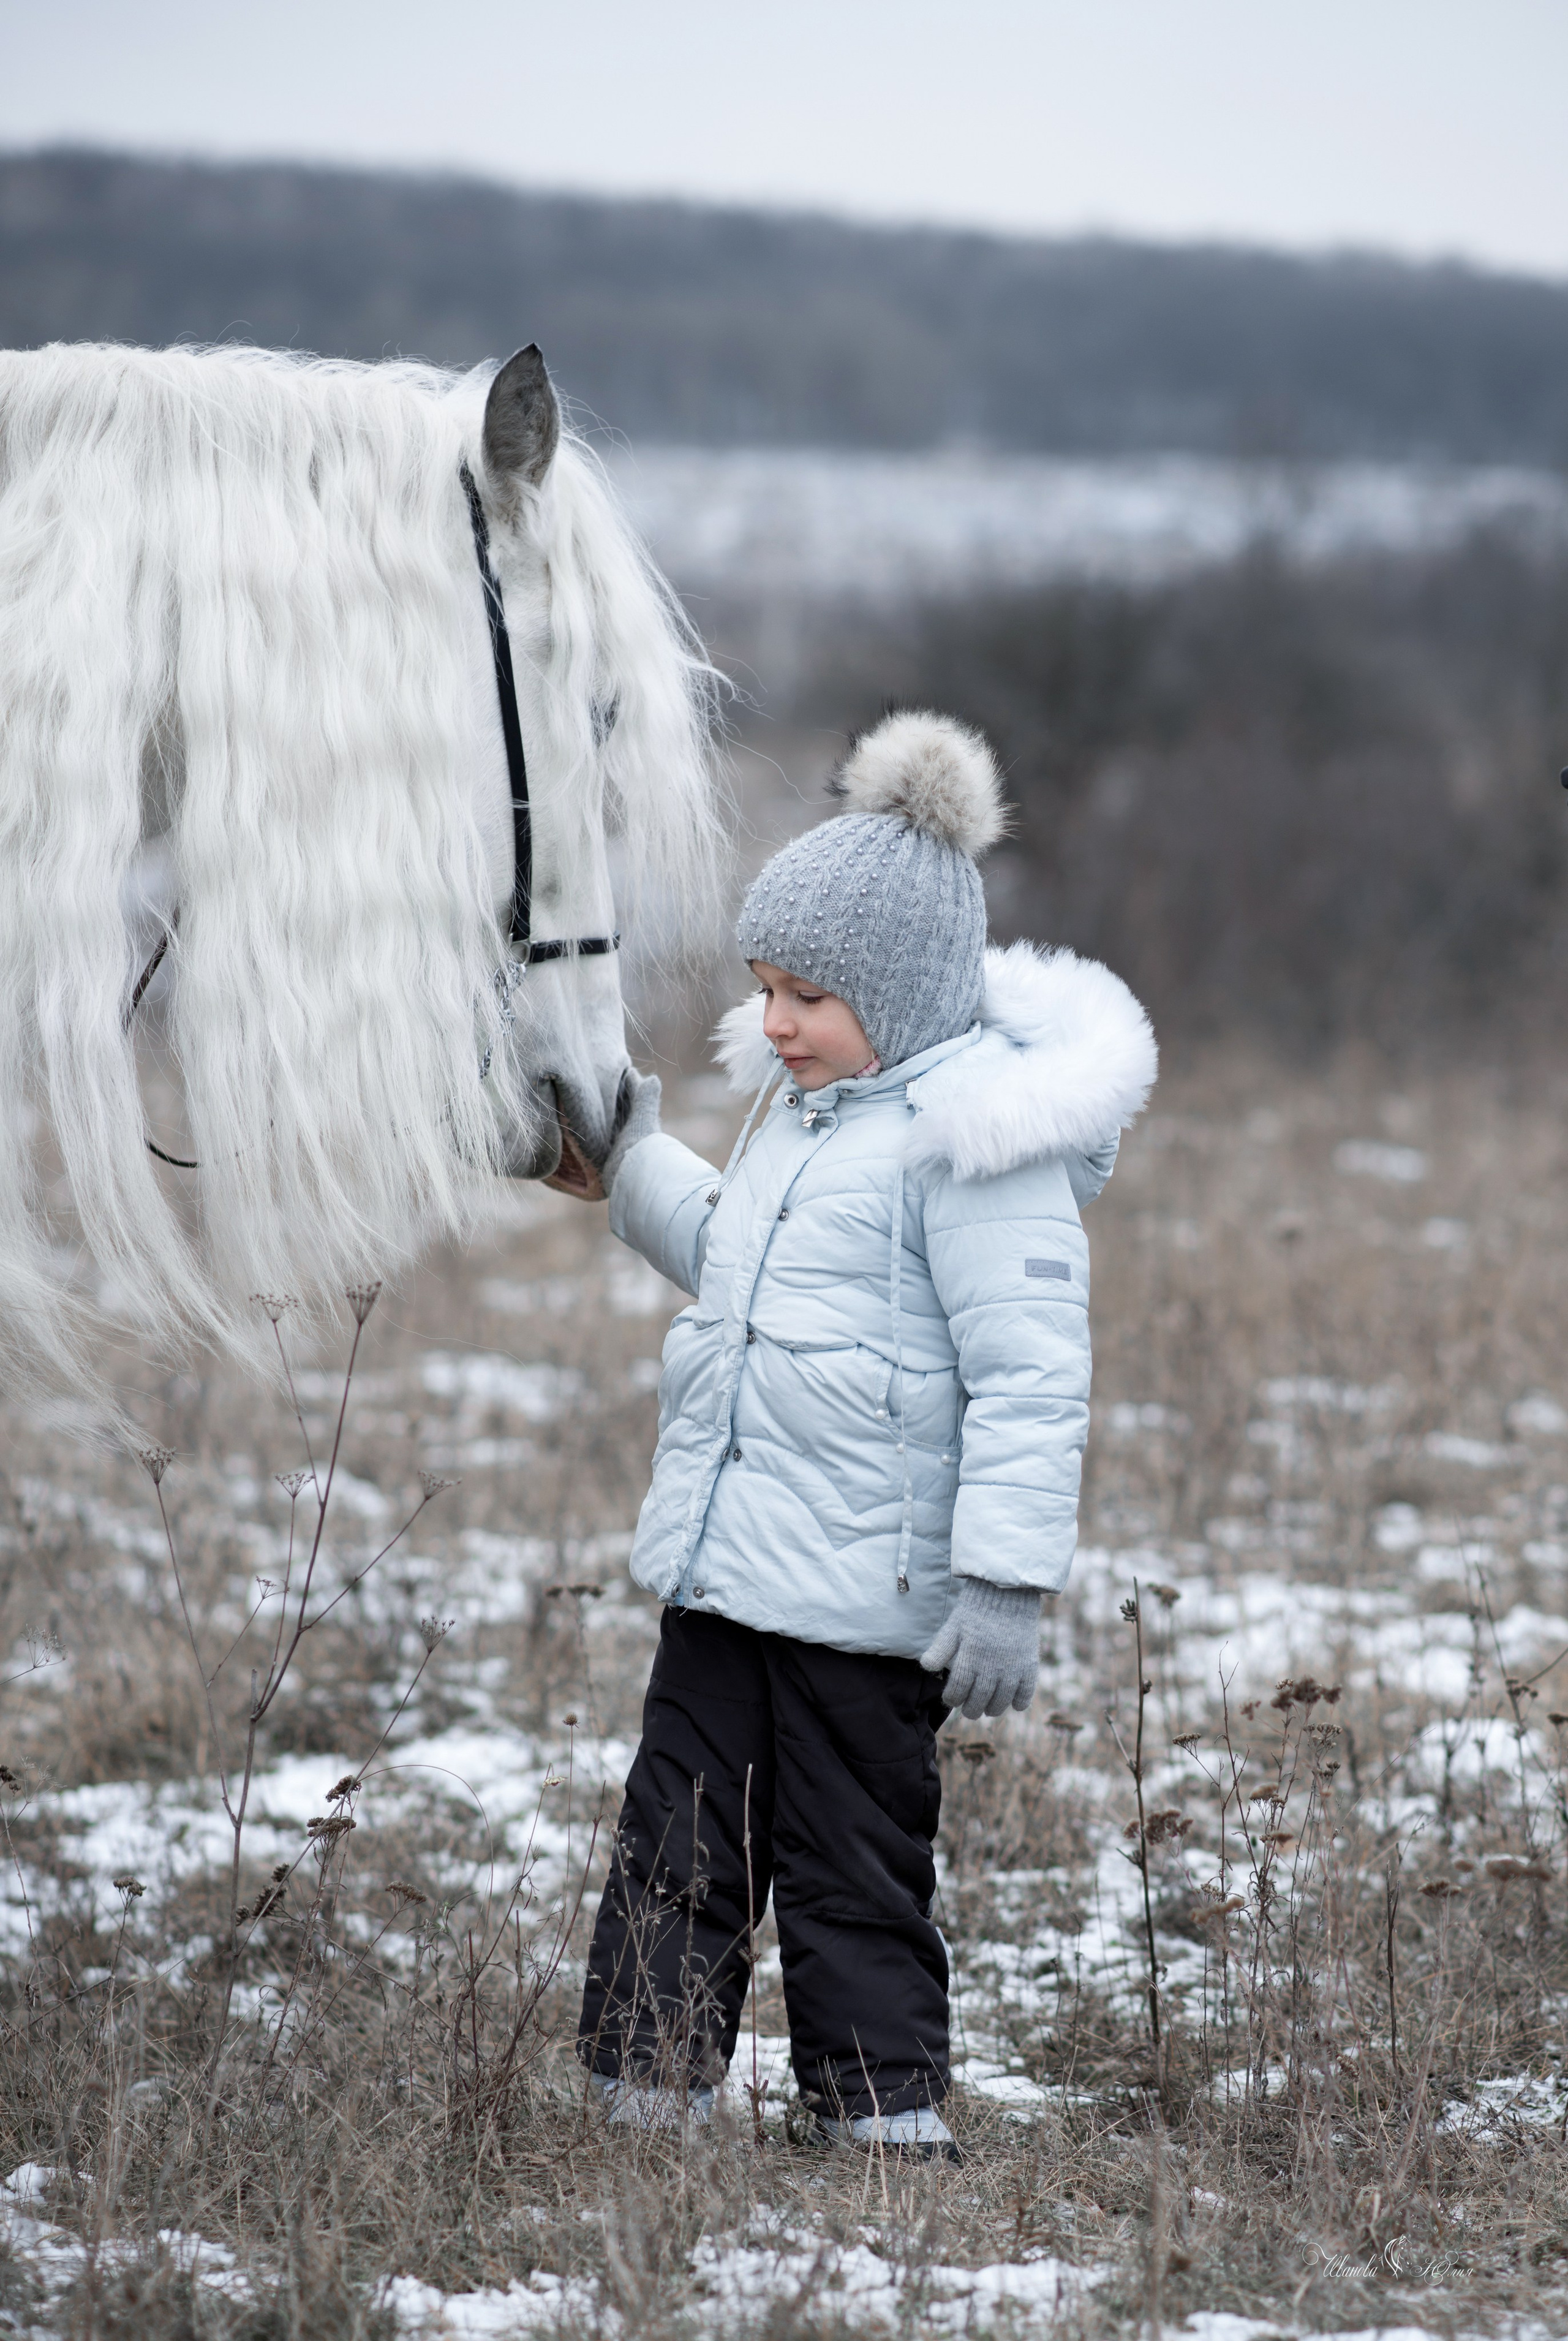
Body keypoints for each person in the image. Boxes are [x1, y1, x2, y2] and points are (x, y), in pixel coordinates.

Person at [575, 709, 1156, 2154]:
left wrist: (1005, 1584)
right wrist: (625, 1155)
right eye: (766, 989)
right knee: (676, 1845)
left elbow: (1032, 1379)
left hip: (863, 1610)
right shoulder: (804, 1115)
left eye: (807, 999)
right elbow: (732, 1255)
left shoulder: (975, 1148)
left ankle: (878, 2117)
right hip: (725, 1578)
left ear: (894, 995)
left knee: (852, 1870)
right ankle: (643, 2094)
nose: (773, 1024)